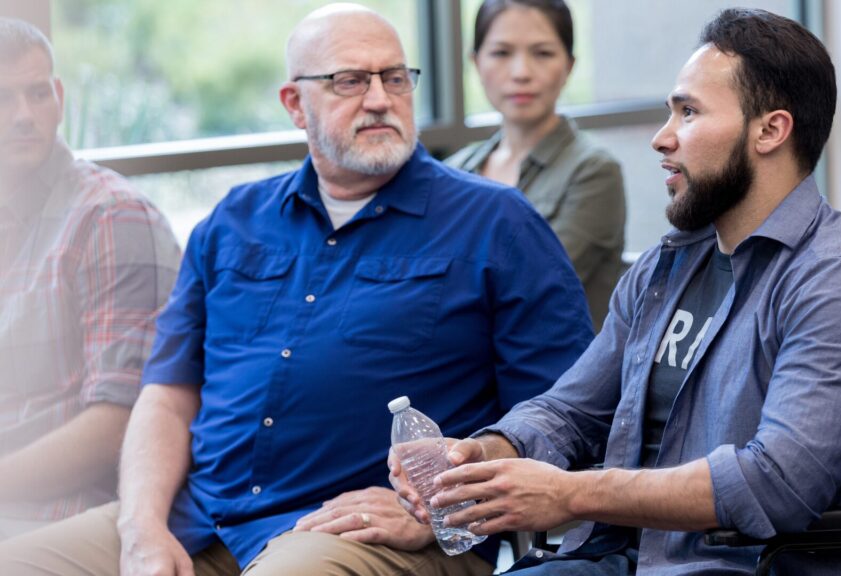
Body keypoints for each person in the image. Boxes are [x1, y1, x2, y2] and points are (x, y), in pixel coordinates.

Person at [0, 3, 593, 575]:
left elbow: (568, 412)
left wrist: (440, 509)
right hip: (199, 519)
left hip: (359, 531)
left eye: (395, 78)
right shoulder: (233, 221)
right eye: (349, 81)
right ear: (294, 103)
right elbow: (167, 393)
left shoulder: (497, 224)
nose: (381, 99)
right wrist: (141, 527)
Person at [393, 8, 841, 575]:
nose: (661, 139)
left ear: (770, 130)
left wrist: (571, 494)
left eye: (688, 113)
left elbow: (776, 483)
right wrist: (489, 453)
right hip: (618, 559)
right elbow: (571, 411)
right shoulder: (665, 268)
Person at [0, 18, 180, 538]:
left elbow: (120, 425)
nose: (23, 116)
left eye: (37, 94)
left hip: (62, 513)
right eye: (4, 98)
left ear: (58, 96)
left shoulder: (112, 218)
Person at [446, 0, 626, 329]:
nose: (521, 73)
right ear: (475, 62)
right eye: (501, 53)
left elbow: (528, 287)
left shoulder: (595, 171)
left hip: (559, 372)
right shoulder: (455, 170)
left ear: (569, 66)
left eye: (542, 53)